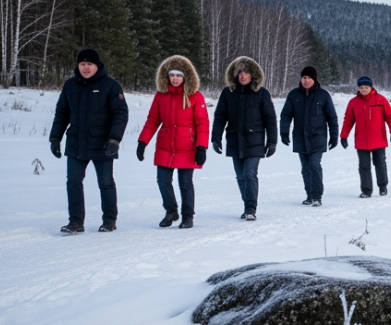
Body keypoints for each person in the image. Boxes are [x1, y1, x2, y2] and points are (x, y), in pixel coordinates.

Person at [49, 48, 129, 233]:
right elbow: (62, 113)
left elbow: (120, 113)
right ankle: (76, 222)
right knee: (73, 181)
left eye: (89, 64)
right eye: (82, 64)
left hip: (103, 143)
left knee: (105, 182)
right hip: (76, 142)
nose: (86, 67)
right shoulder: (70, 85)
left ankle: (109, 219)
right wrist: (55, 137)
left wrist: (115, 138)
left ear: (97, 65)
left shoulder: (111, 86)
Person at [135, 55, 209, 228]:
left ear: (185, 77)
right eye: (172, 74)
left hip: (187, 146)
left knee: (185, 183)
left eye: (179, 75)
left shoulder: (195, 96)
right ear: (167, 76)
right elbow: (153, 120)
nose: (175, 78)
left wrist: (202, 147)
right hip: (166, 145)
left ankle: (188, 216)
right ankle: (171, 211)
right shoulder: (161, 96)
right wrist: (142, 142)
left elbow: (202, 123)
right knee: (162, 180)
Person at [211, 56, 277, 221]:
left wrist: (272, 142)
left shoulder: (261, 93)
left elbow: (270, 119)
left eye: (246, 72)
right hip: (234, 140)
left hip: (254, 140)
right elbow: (220, 116)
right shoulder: (228, 93)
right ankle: (247, 204)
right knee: (240, 176)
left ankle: (250, 208)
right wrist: (216, 138)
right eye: (239, 71)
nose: (242, 75)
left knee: (249, 174)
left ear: (252, 74)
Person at [280, 65, 339, 206]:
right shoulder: (294, 95)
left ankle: (317, 196)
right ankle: (309, 195)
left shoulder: (323, 95)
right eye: (304, 78)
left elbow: (332, 117)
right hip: (300, 137)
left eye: (309, 78)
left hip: (318, 136)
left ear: (314, 79)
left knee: (314, 164)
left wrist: (334, 136)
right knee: (305, 167)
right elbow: (286, 115)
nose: (306, 80)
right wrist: (284, 132)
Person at [340, 75, 391, 198]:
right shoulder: (353, 102)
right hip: (361, 140)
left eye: (366, 87)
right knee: (364, 166)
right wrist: (344, 136)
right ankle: (366, 190)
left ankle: (383, 186)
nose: (363, 89)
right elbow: (348, 120)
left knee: (380, 164)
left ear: (371, 87)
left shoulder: (381, 100)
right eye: (361, 87)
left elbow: (390, 117)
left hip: (378, 138)